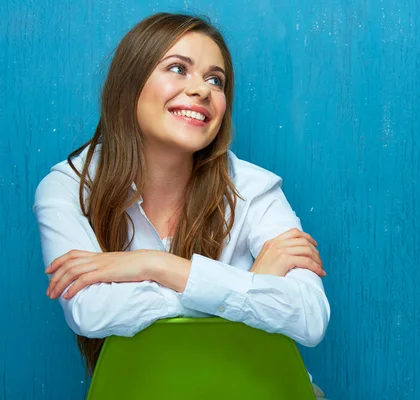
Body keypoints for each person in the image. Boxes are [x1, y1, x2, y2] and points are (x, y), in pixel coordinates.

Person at [33, 12, 330, 398]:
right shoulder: (71, 186)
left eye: (215, 80)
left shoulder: (254, 188)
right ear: (130, 82)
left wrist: (157, 266)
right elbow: (91, 311)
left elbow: (309, 317)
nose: (202, 90)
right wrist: (250, 286)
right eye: (177, 68)